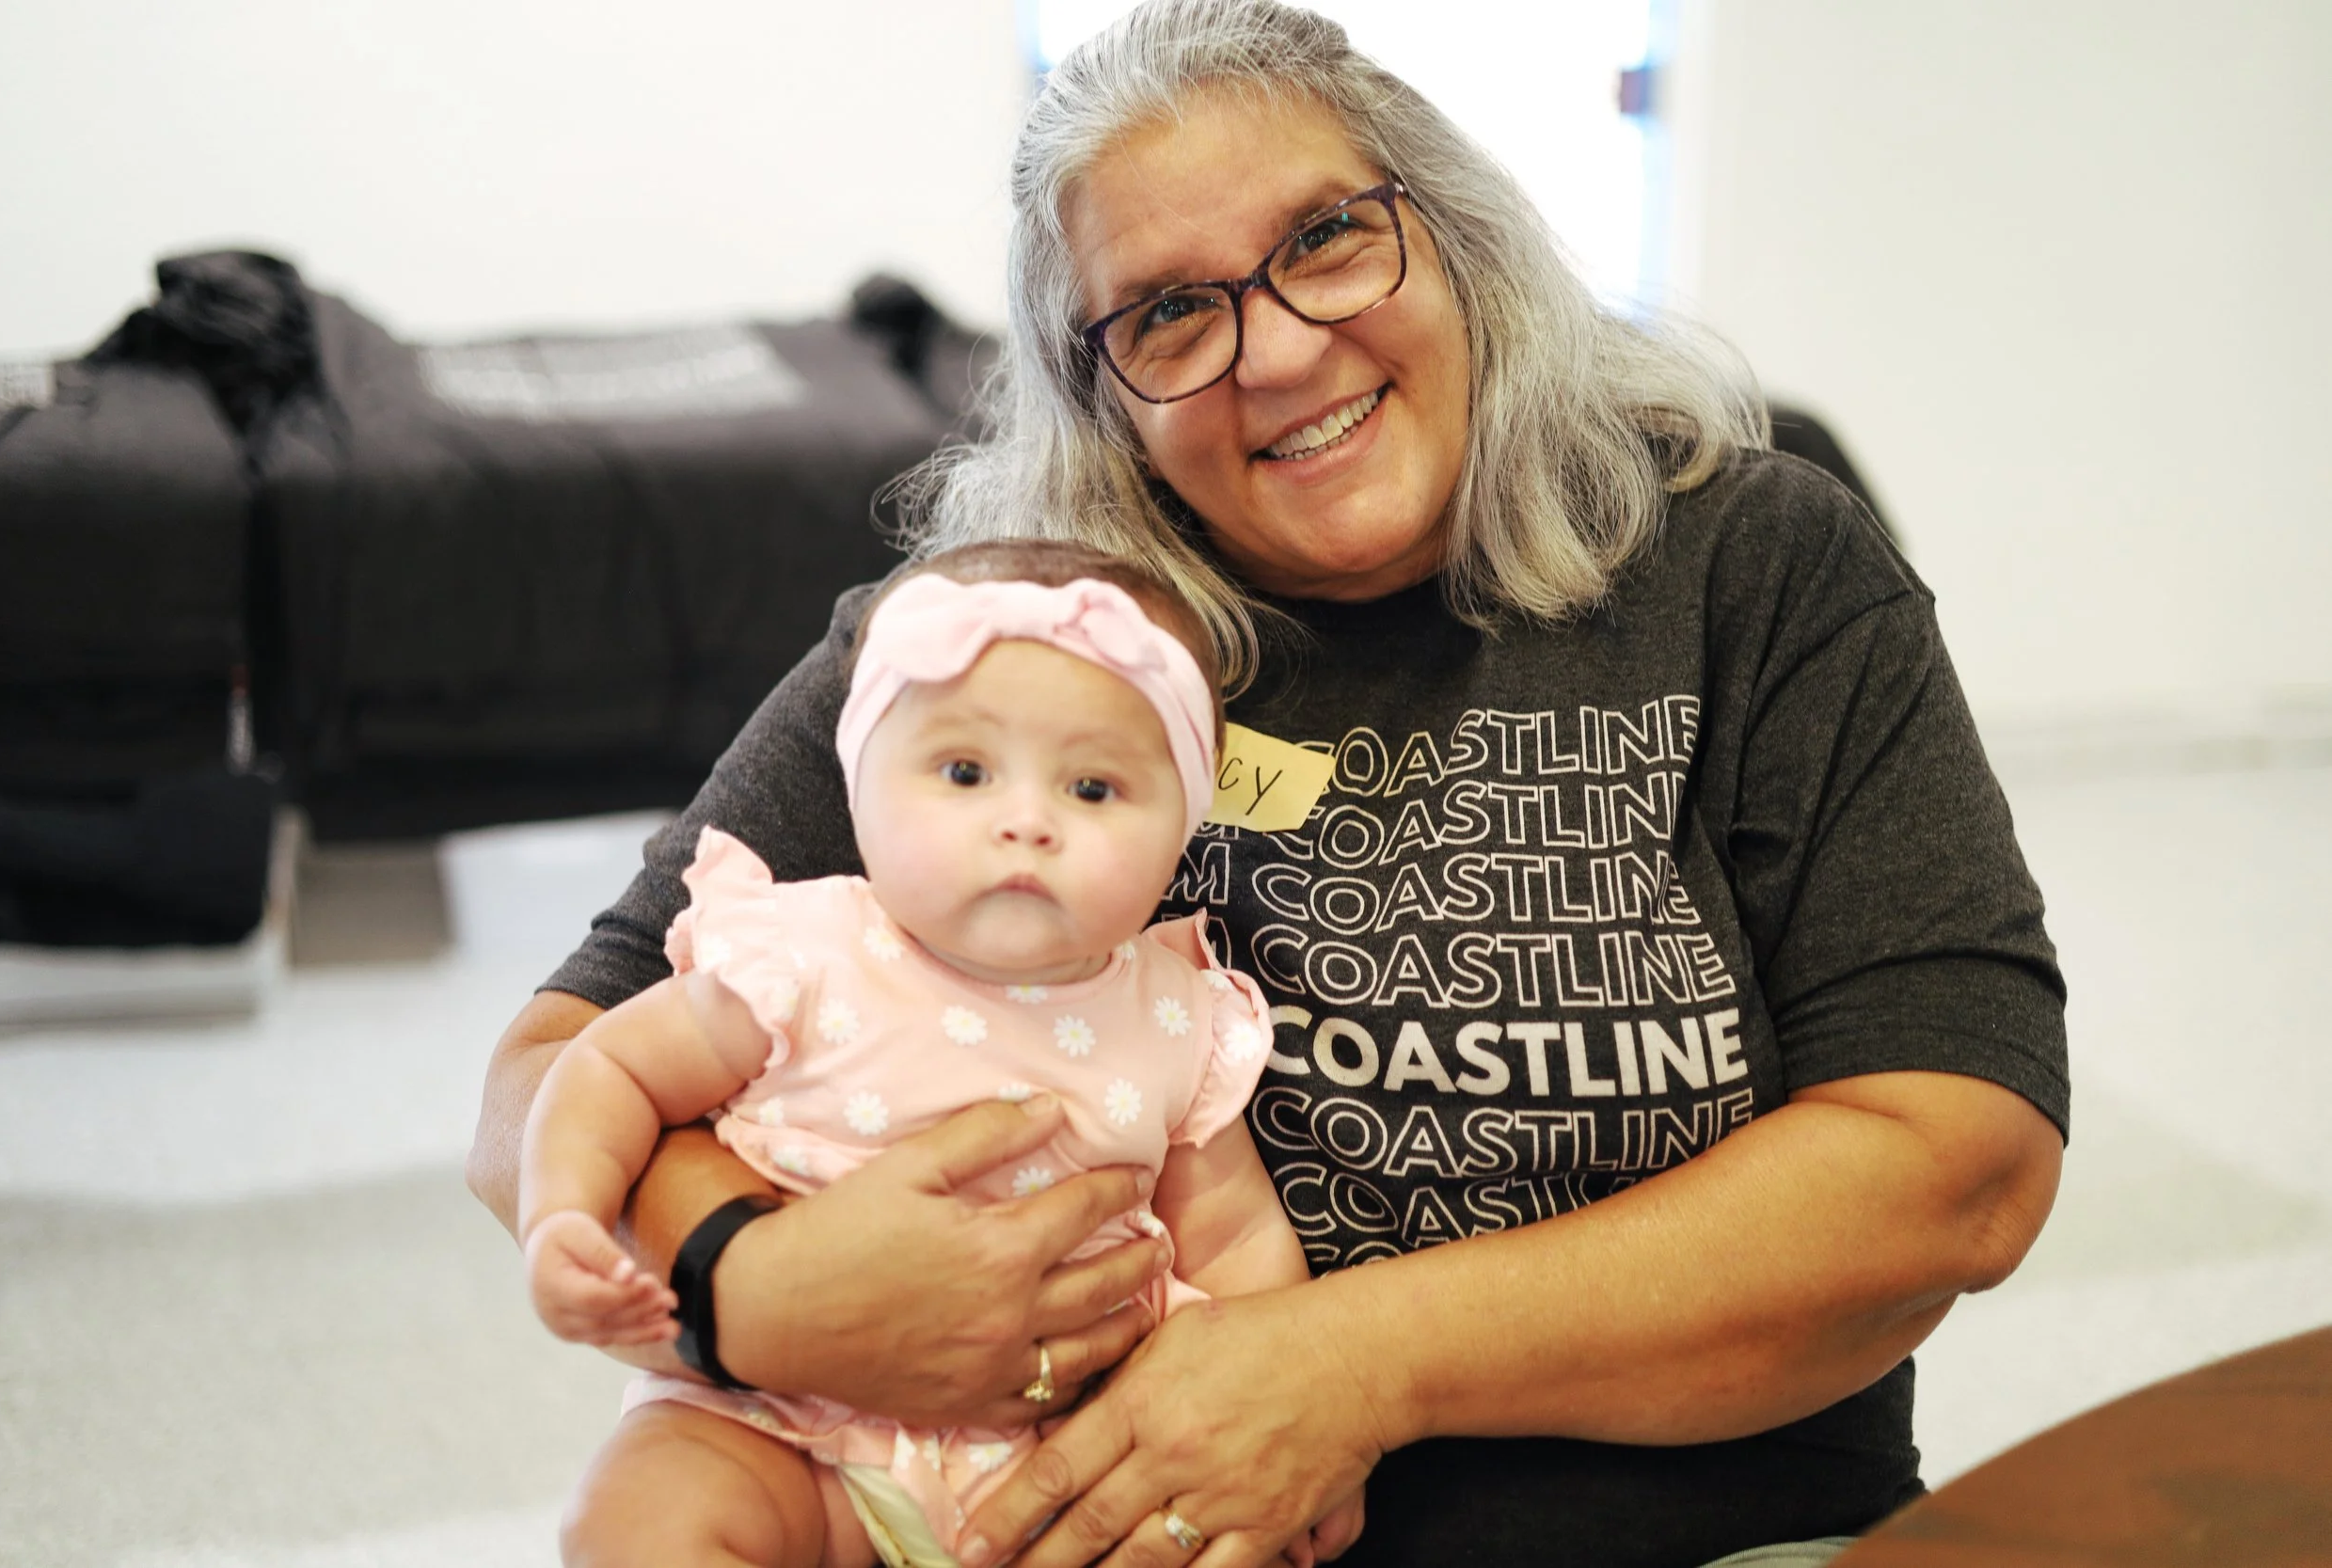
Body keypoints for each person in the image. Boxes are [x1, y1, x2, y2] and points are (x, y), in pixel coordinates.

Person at [468, 3, 2070, 1564]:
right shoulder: (1011, 644)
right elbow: (542, 1075)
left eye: (1326, 238)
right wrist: (745, 1279)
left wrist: (1355, 1361)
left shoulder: (1754, 563)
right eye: (1170, 311)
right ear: (1099, 392)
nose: (1284, 350)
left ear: (1451, 235)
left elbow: (1959, 1163)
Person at [514, 543, 1344, 1568]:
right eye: (964, 772)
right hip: (780, 1423)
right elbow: (610, 1069)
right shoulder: (800, 956)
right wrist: (561, 1212)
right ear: (857, 785)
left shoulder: (1177, 1017)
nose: (1026, 823)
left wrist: (1296, 1423)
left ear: (1184, 825)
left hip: (1055, 1458)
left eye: (1092, 788)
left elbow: (1235, 1239)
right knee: (639, 1519)